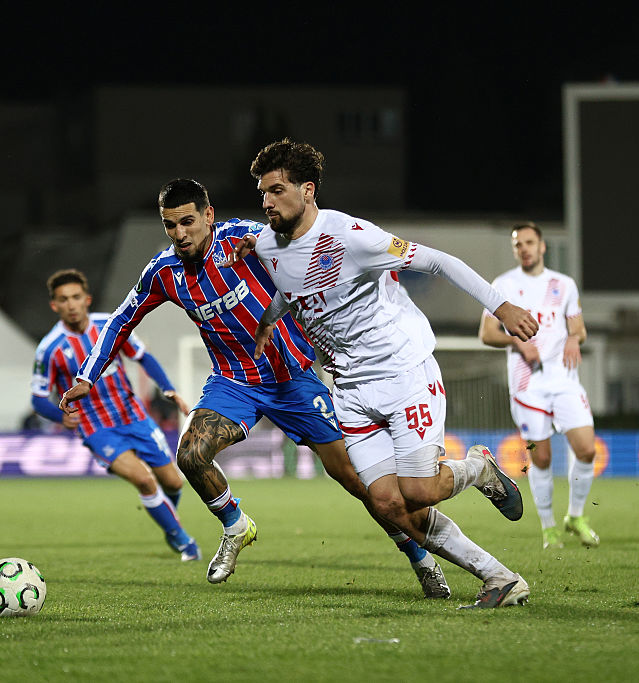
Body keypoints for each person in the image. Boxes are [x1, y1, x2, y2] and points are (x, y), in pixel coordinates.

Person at [61, 178, 452, 599]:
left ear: (208, 216)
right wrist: (87, 376)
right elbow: (121, 319)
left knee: (359, 483)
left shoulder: (247, 240)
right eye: (170, 226)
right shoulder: (163, 272)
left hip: (294, 378)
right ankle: (236, 526)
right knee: (190, 454)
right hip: (235, 382)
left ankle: (421, 560)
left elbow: (310, 255)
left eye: (188, 222)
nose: (180, 234)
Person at [242, 139, 538, 608]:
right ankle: (499, 579)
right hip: (351, 389)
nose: (266, 201)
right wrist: (267, 323)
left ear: (308, 189)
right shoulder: (265, 245)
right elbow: (291, 287)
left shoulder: (352, 236)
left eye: (276, 190)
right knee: (387, 504)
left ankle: (479, 468)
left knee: (419, 491)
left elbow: (441, 261)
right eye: (262, 192)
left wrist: (501, 306)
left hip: (404, 373)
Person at [32, 268, 201, 561]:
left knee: (173, 483)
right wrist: (61, 417)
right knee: (145, 481)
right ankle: (183, 540)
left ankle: (169, 522)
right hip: (97, 429)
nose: (70, 304)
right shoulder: (49, 349)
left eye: (75, 297)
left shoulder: (110, 326)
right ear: (54, 306)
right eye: (63, 299)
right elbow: (37, 398)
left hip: (134, 417)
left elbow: (143, 357)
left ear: (87, 299)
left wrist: (168, 389)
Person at [479, 222, 601, 550]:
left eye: (530, 242)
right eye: (518, 244)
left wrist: (575, 338)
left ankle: (575, 516)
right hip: (527, 386)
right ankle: (549, 528)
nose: (525, 249)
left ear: (542, 246)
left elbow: (579, 329)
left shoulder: (564, 285)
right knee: (541, 457)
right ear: (515, 250)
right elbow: (487, 334)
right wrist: (516, 343)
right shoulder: (503, 285)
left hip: (564, 380)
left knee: (587, 449)